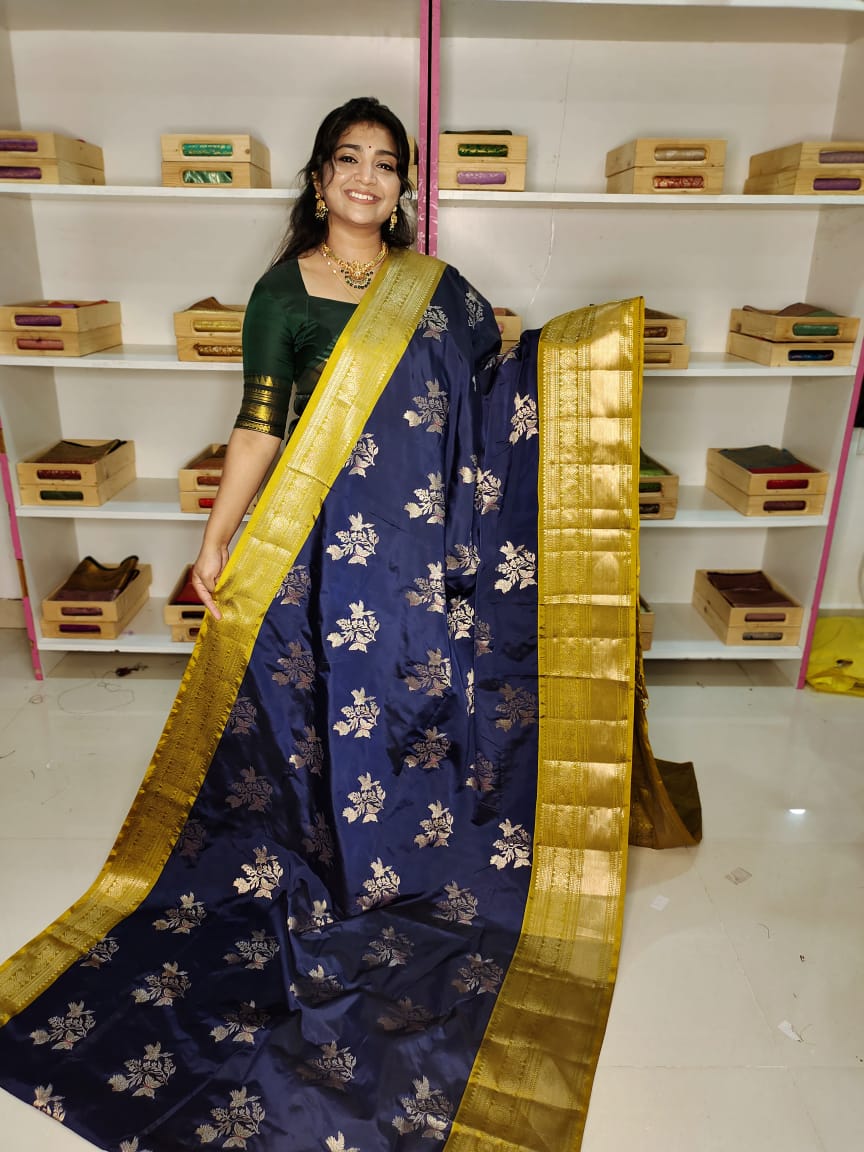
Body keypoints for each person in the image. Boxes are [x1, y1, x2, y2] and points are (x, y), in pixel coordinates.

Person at [0, 97, 700, 1152]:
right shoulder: (282, 293)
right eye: (348, 160)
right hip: (325, 553)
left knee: (423, 704)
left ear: (402, 185)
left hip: (426, 549)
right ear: (321, 179)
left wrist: (582, 360)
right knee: (319, 720)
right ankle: (334, 860)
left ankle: (419, 858)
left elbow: (492, 391)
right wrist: (216, 538)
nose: (366, 178)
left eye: (385, 163)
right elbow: (259, 425)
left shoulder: (438, 290)